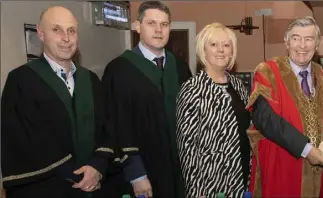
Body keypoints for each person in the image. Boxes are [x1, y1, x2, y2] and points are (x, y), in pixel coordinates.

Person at [1, 6, 117, 198]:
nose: (66, 38)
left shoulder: (91, 80)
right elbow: (23, 140)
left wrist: (97, 166)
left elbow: (108, 127)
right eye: (57, 30)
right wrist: (76, 175)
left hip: (94, 187)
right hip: (46, 189)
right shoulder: (20, 82)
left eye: (71, 30)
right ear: (40, 33)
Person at [101, 1, 192, 198]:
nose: (159, 30)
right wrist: (136, 173)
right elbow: (116, 125)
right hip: (143, 173)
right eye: (151, 23)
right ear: (137, 26)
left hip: (181, 171)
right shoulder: (119, 70)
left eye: (164, 25)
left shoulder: (180, 68)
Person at [246, 16, 323, 198]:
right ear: (286, 42)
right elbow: (265, 119)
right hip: (280, 169)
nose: (302, 45)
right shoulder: (267, 71)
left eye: (309, 39)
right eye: (296, 38)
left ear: (317, 44)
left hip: (317, 174)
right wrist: (307, 150)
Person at [175, 22, 251, 198]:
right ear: (203, 49)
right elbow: (187, 146)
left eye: (226, 45)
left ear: (232, 51)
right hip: (210, 182)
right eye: (214, 45)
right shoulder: (191, 89)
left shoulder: (238, 85)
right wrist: (196, 191)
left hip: (241, 176)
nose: (221, 50)